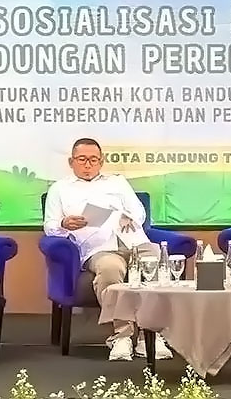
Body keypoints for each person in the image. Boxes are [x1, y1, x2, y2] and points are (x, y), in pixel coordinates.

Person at [44, 138, 173, 362]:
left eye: (93, 160)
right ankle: (122, 335)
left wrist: (128, 216)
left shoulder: (118, 183)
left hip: (133, 241)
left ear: (101, 161)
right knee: (111, 269)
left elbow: (139, 212)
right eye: (82, 159)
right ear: (71, 162)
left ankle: (151, 335)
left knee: (156, 261)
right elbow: (49, 227)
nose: (88, 164)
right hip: (98, 248)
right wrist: (64, 224)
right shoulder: (59, 189)